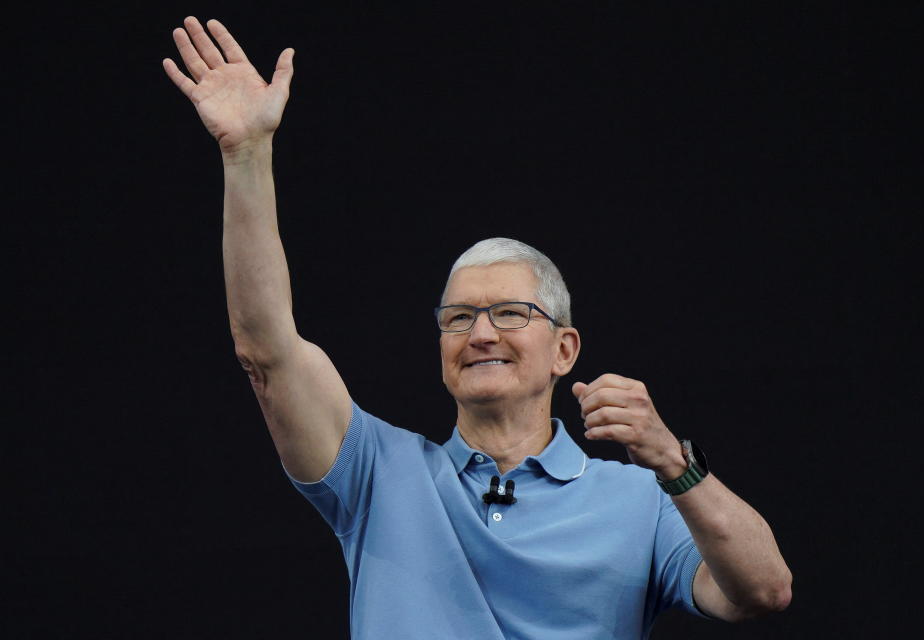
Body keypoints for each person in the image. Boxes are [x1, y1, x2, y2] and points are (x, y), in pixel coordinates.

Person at [163, 17, 792, 639]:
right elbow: (266, 350)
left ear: (564, 348)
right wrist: (246, 155)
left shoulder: (639, 499)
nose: (481, 334)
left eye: (511, 314)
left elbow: (764, 590)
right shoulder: (376, 472)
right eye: (459, 318)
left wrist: (673, 464)